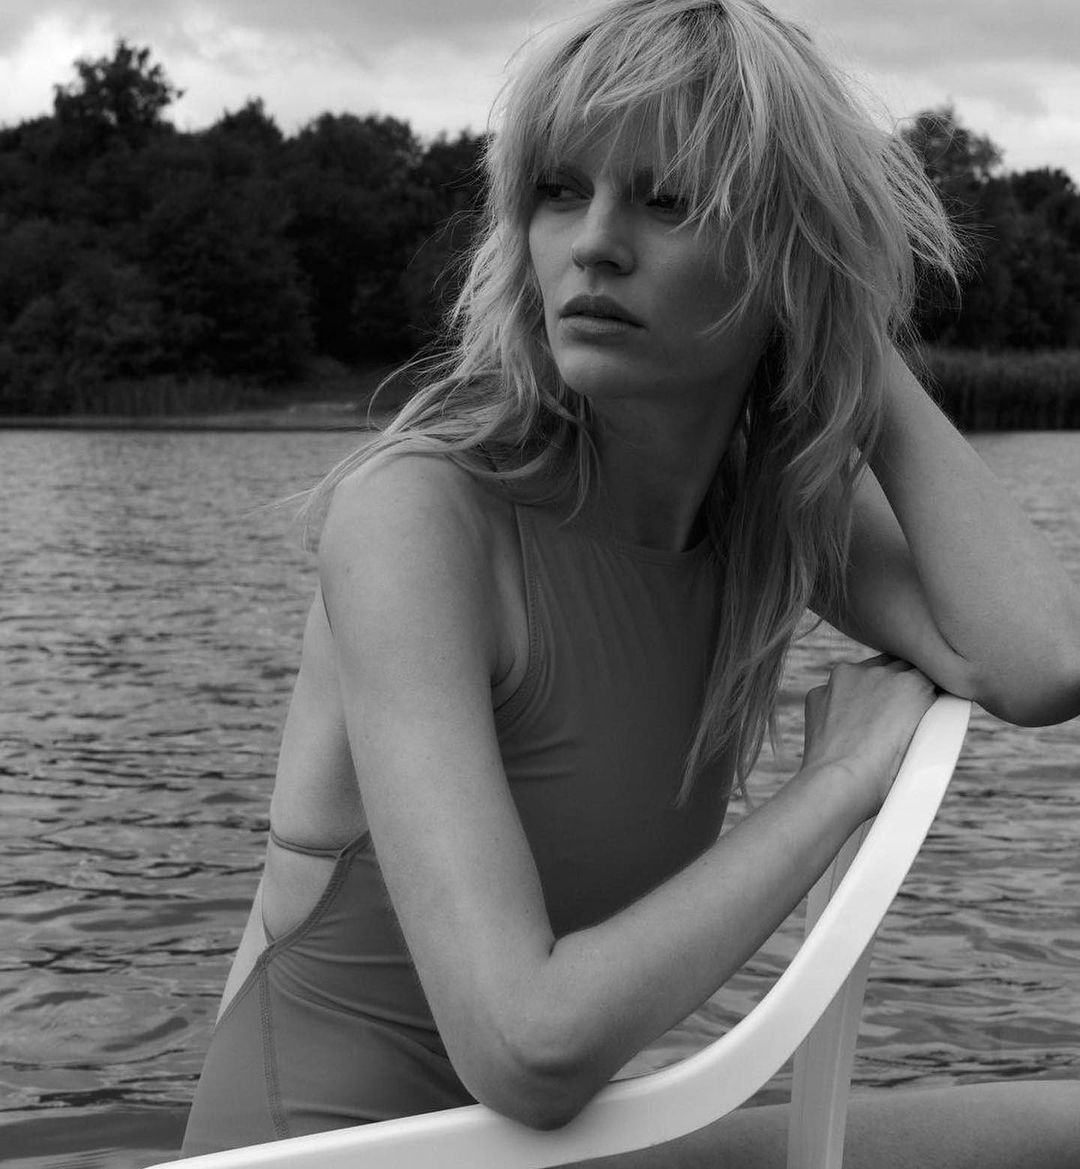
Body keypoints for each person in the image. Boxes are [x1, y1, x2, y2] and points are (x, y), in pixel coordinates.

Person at [181, 0, 1080, 1163]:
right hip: (334, 1148)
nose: (595, 244)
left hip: (533, 1148)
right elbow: (524, 1045)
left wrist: (843, 330)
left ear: (782, 257)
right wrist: (837, 780)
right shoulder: (422, 511)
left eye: (670, 201)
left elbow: (1039, 661)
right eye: (561, 190)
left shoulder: (762, 508)